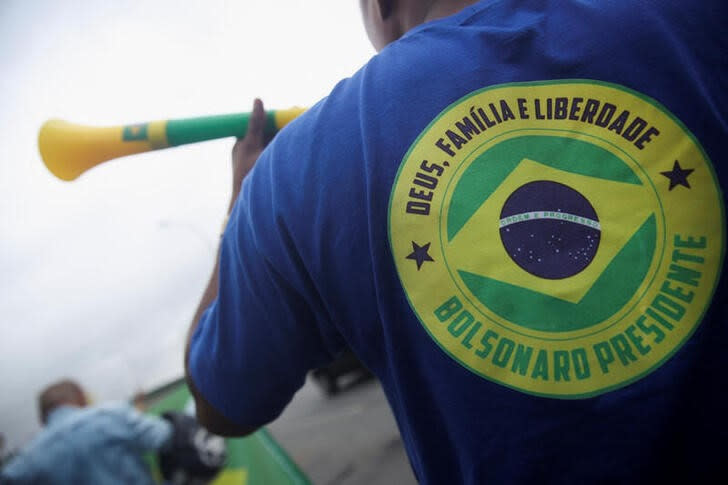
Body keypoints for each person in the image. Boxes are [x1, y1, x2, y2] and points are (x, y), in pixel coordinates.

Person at [185, 0, 727, 483]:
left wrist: (239, 204)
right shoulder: (694, 17)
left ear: (379, 5)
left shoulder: (293, 174)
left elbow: (222, 402)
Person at [0, 379, 172, 484]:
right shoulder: (112, 414)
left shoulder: (27, 460)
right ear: (81, 396)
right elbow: (165, 436)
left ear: (42, 418)